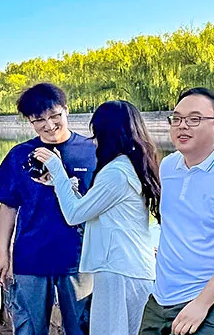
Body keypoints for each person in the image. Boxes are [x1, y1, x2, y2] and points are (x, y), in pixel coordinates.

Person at [139, 88, 214, 335]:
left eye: (194, 119)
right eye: (176, 119)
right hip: (163, 294)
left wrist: (202, 303)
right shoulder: (169, 166)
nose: (182, 126)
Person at [33, 100, 161, 335]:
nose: (94, 141)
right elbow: (91, 209)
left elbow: (74, 215)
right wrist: (60, 183)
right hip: (128, 268)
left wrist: (56, 166)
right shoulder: (130, 165)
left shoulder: (116, 172)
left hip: (119, 271)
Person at [0, 83, 96, 335]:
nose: (49, 124)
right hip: (30, 259)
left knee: (81, 328)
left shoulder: (91, 151)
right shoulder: (19, 155)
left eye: (55, 116)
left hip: (79, 260)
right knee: (28, 329)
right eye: (39, 120)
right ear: (30, 122)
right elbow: (8, 207)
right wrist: (3, 254)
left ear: (66, 111)